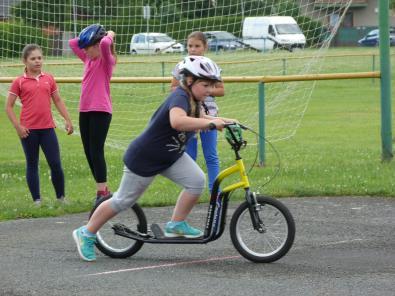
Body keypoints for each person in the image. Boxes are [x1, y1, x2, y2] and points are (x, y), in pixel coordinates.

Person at [73, 56, 237, 262]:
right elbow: (177, 121)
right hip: (145, 158)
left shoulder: (196, 100)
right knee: (123, 200)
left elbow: (203, 118)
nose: (209, 90)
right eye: (205, 85)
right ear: (188, 81)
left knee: (196, 181)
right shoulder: (179, 96)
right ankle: (86, 233)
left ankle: (176, 224)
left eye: (212, 85)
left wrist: (227, 121)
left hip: (170, 156)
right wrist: (211, 125)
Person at [5, 44, 74, 205]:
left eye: (39, 58)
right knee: (32, 164)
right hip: (28, 131)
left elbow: (57, 100)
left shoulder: (49, 78)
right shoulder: (19, 82)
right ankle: (37, 200)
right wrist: (18, 127)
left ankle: (61, 198)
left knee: (55, 163)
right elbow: (8, 107)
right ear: (25, 61)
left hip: (48, 129)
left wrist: (68, 119)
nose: (37, 61)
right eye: (33, 58)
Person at [171, 31, 224, 193]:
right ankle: (190, 190)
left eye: (197, 46)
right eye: (190, 46)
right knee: (189, 155)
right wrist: (189, 91)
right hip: (189, 117)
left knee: (211, 155)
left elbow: (221, 90)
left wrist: (205, 90)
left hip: (209, 116)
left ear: (205, 47)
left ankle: (215, 191)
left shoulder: (211, 66)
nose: (193, 49)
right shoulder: (181, 66)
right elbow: (173, 88)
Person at [68, 24, 116, 203]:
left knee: (96, 150)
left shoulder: (106, 61)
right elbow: (73, 43)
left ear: (97, 46)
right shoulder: (89, 59)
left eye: (87, 48)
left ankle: (101, 192)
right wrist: (87, 38)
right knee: (88, 151)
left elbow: (104, 45)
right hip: (85, 110)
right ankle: (103, 189)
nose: (84, 52)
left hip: (101, 111)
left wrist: (110, 34)